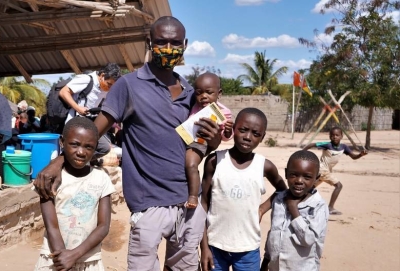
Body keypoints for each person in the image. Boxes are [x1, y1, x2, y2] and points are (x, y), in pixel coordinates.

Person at [34, 16, 223, 271]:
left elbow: (195, 146)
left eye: (175, 43)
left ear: (185, 44)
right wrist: (58, 162)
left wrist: (212, 141)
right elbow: (93, 131)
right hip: (148, 205)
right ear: (149, 43)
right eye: (161, 42)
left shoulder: (192, 93)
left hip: (188, 205)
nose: (168, 49)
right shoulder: (129, 85)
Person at [200, 108, 287, 271]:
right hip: (215, 245)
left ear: (262, 137)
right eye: (243, 130)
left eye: (255, 133)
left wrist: (262, 208)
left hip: (247, 248)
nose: (248, 137)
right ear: (233, 129)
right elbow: (203, 203)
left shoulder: (264, 166)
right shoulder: (215, 161)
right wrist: (204, 247)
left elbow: (282, 190)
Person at [34, 117, 115, 271]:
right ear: (62, 142)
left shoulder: (102, 179)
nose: (81, 152)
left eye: (88, 147)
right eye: (75, 144)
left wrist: (74, 255)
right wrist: (63, 258)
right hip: (55, 259)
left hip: (89, 260)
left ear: (96, 147)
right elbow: (51, 226)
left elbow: (103, 226)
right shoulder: (49, 179)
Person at [260, 150, 329, 271]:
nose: (299, 181)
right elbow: (274, 234)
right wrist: (266, 262)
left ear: (316, 179)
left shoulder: (318, 206)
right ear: (286, 173)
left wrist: (293, 210)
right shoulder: (279, 199)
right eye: (294, 175)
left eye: (307, 177)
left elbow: (308, 239)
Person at [184, 72, 233, 208]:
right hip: (186, 138)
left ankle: (193, 196)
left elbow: (224, 137)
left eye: (209, 92)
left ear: (219, 93)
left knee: (191, 164)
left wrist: (228, 130)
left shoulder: (224, 112)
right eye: (199, 93)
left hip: (201, 142)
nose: (203, 96)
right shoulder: (194, 106)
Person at [59, 63, 121, 159]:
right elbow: (63, 92)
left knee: (104, 148)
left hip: (89, 125)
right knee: (72, 152)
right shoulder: (86, 79)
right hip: (74, 124)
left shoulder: (104, 89)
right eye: (109, 84)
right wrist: (78, 108)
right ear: (102, 76)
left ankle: (84, 164)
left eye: (112, 86)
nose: (109, 88)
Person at [302, 126, 367, 215]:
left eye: (337, 135)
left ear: (341, 136)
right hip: (322, 170)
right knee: (339, 186)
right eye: (332, 135)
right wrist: (302, 154)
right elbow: (311, 145)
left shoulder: (344, 147)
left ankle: (299, 203)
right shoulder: (327, 145)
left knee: (310, 188)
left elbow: (353, 157)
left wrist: (360, 154)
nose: (335, 137)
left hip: (326, 171)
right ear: (330, 136)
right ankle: (330, 207)